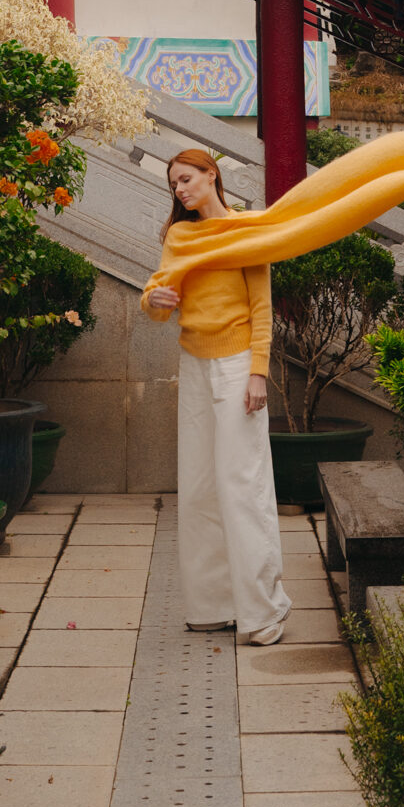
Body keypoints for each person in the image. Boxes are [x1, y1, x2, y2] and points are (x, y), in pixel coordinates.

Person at [141, 146, 291, 646]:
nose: (180, 190)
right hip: (194, 364)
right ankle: (211, 604)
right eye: (173, 184)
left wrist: (257, 374)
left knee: (244, 484)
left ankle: (264, 610)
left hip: (237, 366)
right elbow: (157, 299)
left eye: (186, 179)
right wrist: (154, 300)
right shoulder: (179, 235)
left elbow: (262, 308)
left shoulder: (247, 229)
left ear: (212, 175)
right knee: (199, 485)